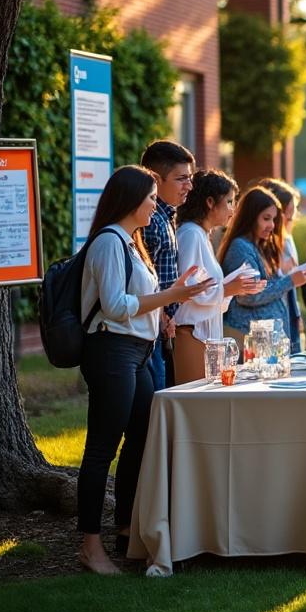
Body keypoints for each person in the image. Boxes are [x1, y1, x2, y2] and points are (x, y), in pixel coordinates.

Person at [76, 165, 214, 574]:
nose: (156, 206)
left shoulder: (133, 242)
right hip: (112, 351)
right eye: (152, 198)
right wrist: (172, 295)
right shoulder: (108, 242)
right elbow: (117, 306)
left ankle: (130, 529)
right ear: (131, 199)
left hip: (138, 351)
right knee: (103, 447)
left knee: (141, 438)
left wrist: (175, 289)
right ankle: (90, 545)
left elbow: (141, 298)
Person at [172, 171, 266, 384]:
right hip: (193, 334)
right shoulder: (190, 234)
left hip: (206, 335)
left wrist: (234, 288)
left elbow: (205, 288)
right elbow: (188, 287)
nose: (233, 210)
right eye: (230, 202)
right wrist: (228, 289)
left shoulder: (201, 235)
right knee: (195, 403)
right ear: (210, 202)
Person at [218, 187, 306, 340]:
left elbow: (269, 288)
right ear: (251, 217)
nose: (272, 225)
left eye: (274, 219)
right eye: (266, 218)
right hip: (247, 341)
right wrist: (291, 280)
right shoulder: (240, 247)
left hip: (267, 343)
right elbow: (248, 296)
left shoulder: (259, 246)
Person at [139, 140, 196, 390]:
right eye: (181, 179)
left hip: (163, 331)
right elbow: (143, 280)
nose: (189, 186)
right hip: (147, 333)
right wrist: (162, 313)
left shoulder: (166, 216)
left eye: (190, 178)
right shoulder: (149, 221)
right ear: (155, 178)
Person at [256, 178, 305, 352]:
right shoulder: (262, 242)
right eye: (287, 213)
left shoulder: (288, 238)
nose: (290, 218)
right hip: (271, 317)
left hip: (289, 310)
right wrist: (281, 269)